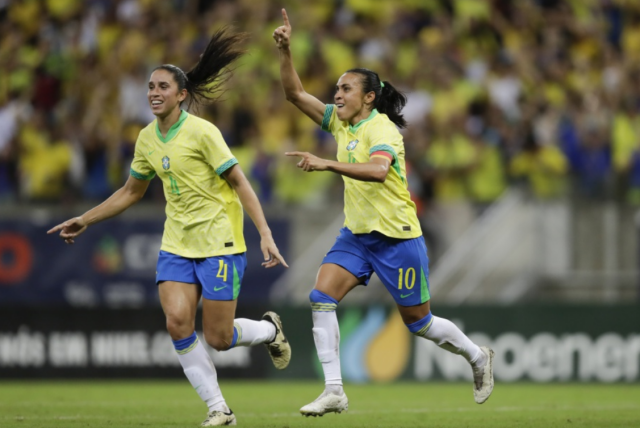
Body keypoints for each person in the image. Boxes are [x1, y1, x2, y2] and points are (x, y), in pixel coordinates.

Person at [48, 28, 291, 427]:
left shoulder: (203, 132)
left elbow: (240, 182)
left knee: (219, 338)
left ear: (181, 95)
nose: (153, 92)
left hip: (220, 243)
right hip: (177, 243)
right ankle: (219, 410)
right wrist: (85, 219)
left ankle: (267, 330)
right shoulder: (145, 139)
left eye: (162, 86)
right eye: (149, 86)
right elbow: (130, 192)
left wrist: (264, 233)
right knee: (177, 322)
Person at [272, 9, 494, 416]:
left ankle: (477, 357)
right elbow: (294, 94)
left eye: (346, 89)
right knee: (320, 297)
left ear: (369, 97)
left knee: (419, 323)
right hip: (357, 236)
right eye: (336, 88)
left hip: (397, 237)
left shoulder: (382, 129)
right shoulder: (340, 125)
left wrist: (327, 164)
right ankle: (334, 390)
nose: (336, 94)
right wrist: (286, 52)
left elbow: (378, 171)